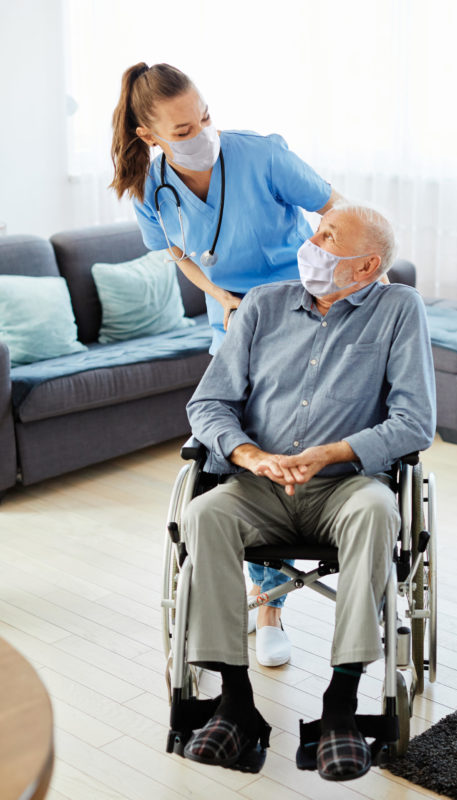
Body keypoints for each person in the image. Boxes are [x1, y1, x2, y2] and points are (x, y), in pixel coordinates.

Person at [181, 205, 436, 781]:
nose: (312, 242)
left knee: (377, 510)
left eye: (328, 237)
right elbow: (209, 403)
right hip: (258, 485)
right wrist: (248, 454)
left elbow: (415, 421)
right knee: (204, 515)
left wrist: (331, 451)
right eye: (317, 232)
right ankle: (236, 704)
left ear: (366, 264)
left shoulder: (398, 310)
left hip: (345, 488)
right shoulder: (264, 305)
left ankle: (339, 707)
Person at [110, 62, 342, 666]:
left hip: (306, 305)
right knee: (244, 440)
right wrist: (226, 301)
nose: (203, 131)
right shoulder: (148, 188)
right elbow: (180, 255)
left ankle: (329, 514)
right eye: (184, 127)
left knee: (309, 425)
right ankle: (268, 606)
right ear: (148, 135)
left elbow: (335, 210)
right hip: (236, 318)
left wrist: (329, 281)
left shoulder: (261, 157)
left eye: (205, 116)